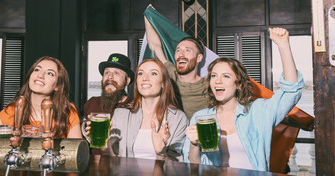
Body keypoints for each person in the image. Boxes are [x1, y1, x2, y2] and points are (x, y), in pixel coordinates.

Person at [183, 28, 304, 172]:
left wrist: (283, 45)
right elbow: (194, 167)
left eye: (226, 76)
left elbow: (291, 92)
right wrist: (194, 144)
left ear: (239, 84)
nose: (218, 81)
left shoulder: (258, 112)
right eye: (214, 76)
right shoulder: (200, 117)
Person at [86, 59, 189, 161]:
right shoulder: (121, 114)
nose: (145, 78)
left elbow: (177, 168)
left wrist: (161, 153)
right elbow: (112, 162)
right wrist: (104, 143)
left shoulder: (178, 118)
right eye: (140, 74)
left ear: (163, 82)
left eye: (153, 73)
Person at [0, 56, 82, 138]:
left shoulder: (67, 111)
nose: (40, 75)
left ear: (57, 86)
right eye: (37, 70)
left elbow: (77, 153)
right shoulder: (14, 110)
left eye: (50, 73)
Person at [145, 15, 207, 119]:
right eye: (178, 50)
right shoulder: (170, 74)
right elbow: (155, 47)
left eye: (187, 50)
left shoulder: (208, 85)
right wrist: (148, 17)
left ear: (199, 58)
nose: (181, 54)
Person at [83, 53, 134, 118]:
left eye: (116, 73)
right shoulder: (91, 104)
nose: (110, 77)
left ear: (127, 81)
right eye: (107, 72)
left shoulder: (134, 108)